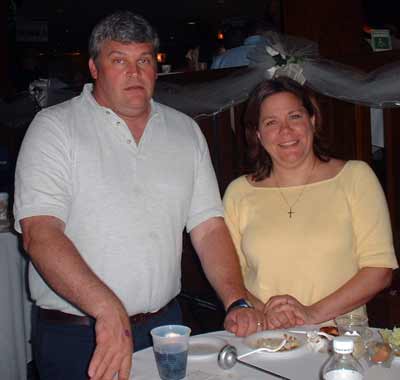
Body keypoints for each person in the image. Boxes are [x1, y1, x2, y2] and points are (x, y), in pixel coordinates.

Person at [14, 11, 265, 380]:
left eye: (144, 60)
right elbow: (41, 233)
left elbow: (209, 228)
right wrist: (107, 308)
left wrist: (236, 298)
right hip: (78, 333)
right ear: (94, 68)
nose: (135, 72)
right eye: (119, 60)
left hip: (165, 329)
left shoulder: (185, 131)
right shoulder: (54, 128)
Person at [223, 77, 398, 330]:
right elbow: (231, 278)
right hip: (265, 339)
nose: (285, 130)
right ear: (258, 135)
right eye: (272, 122)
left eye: (294, 117)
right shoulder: (238, 192)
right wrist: (266, 313)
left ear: (312, 121)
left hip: (339, 343)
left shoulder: (355, 177)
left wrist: (311, 314)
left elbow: (379, 270)